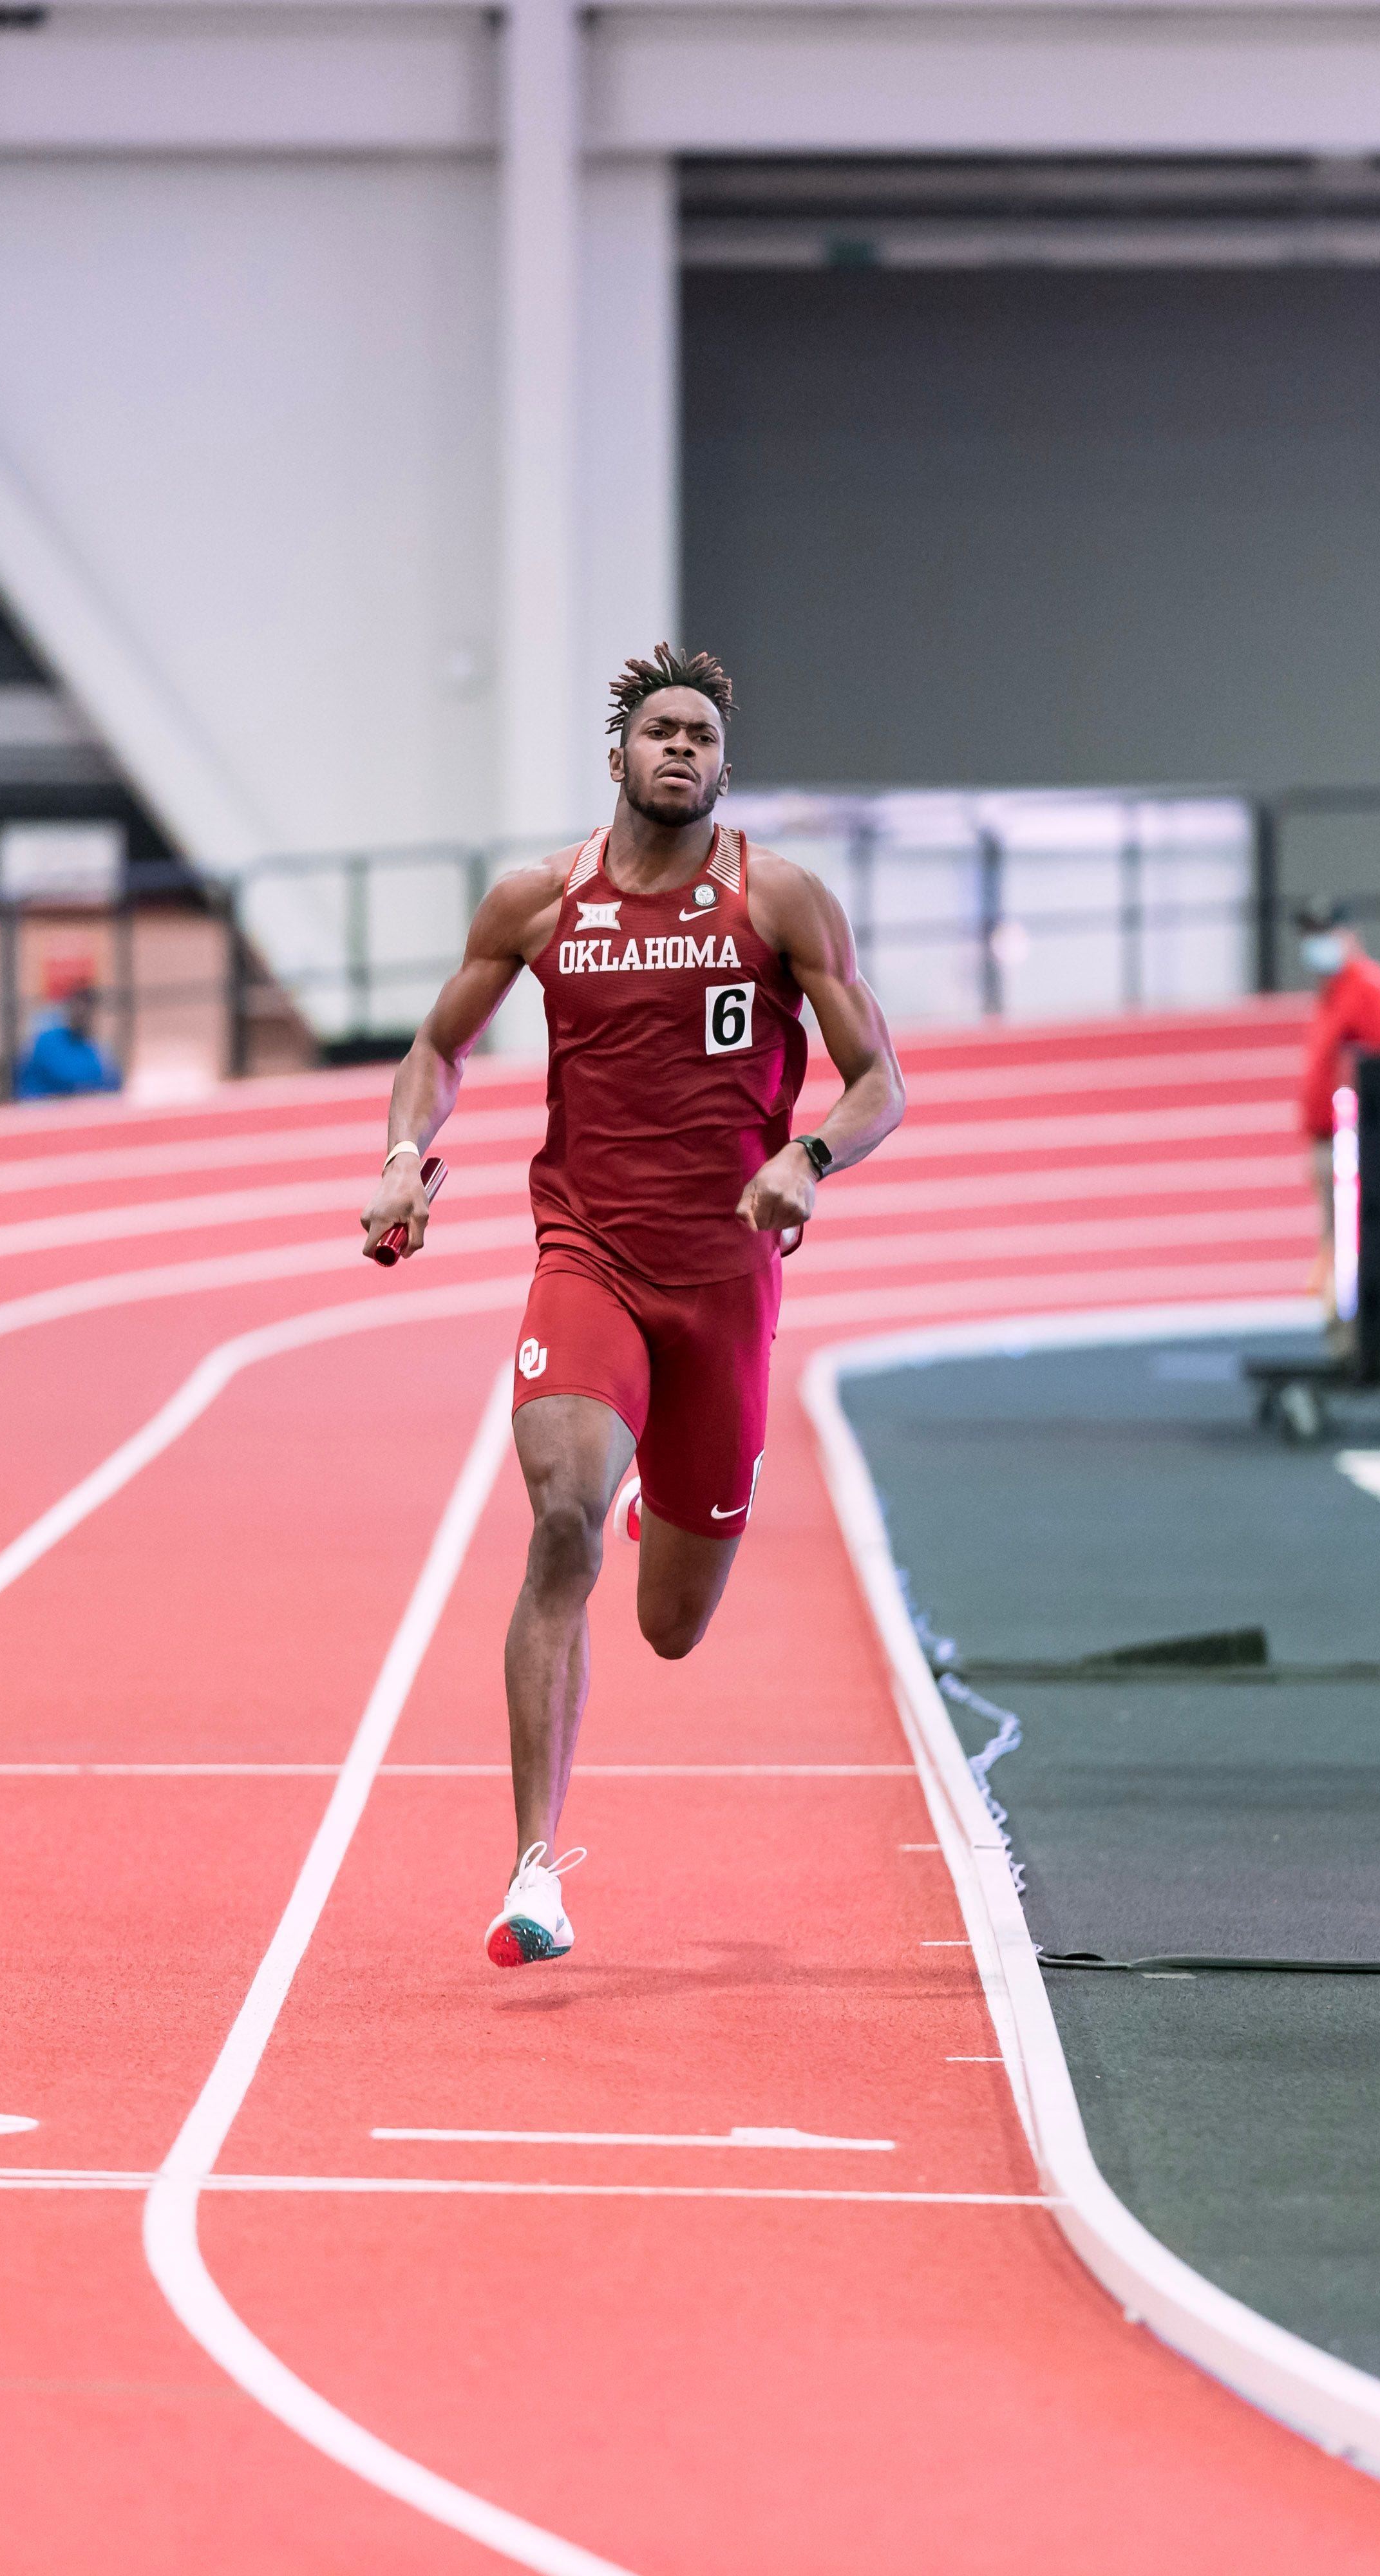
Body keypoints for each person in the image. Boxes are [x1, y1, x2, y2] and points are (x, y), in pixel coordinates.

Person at [360, 644, 904, 1965]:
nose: (679, 750)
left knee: (668, 1625)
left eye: (701, 737)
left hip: (723, 1285)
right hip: (586, 1255)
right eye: (658, 730)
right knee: (560, 1523)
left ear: (724, 766)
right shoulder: (541, 900)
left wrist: (807, 1153)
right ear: (617, 753)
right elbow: (440, 1043)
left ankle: (678, 1472)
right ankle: (532, 1868)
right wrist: (398, 1158)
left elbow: (878, 1074)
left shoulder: (777, 900)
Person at [1294, 899, 1380, 1341]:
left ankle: (1356, 1335)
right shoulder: (1331, 991)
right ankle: (1345, 1332)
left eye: (1326, 931)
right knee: (1336, 1241)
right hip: (1327, 1138)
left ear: (1351, 935)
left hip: (1354, 1141)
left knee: (1352, 1243)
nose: (1316, 942)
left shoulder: (1368, 990)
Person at [15, 985, 123, 1100]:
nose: (82, 1014)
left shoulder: (90, 1045)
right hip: (38, 1108)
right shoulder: (47, 1039)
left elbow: (112, 1080)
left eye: (88, 1010)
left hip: (74, 1108)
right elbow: (66, 1075)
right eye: (78, 1007)